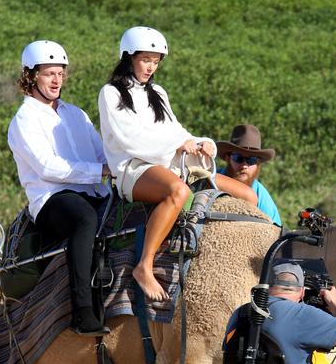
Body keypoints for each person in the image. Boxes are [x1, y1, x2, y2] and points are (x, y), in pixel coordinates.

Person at [98, 26, 257, 302]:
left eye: (156, 61)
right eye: (146, 59)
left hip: (172, 164)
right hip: (133, 169)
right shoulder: (111, 93)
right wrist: (177, 146)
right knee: (178, 192)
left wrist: (202, 142)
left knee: (247, 195)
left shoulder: (157, 92)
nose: (151, 67)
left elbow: (177, 132)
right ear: (128, 57)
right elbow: (129, 140)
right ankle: (144, 266)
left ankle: (229, 259)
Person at [7, 40, 111, 336]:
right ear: (31, 76)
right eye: (49, 73)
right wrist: (100, 171)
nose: (56, 80)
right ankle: (82, 313)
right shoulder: (24, 120)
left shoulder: (77, 114)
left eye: (61, 74)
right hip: (52, 199)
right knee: (84, 218)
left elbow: (101, 153)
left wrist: (120, 167)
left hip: (92, 192)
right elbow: (47, 167)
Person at [216, 124, 282, 226]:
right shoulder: (210, 178)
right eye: (238, 158)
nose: (244, 165)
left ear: (258, 163)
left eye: (251, 160)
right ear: (228, 158)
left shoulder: (261, 196)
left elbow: (276, 233)